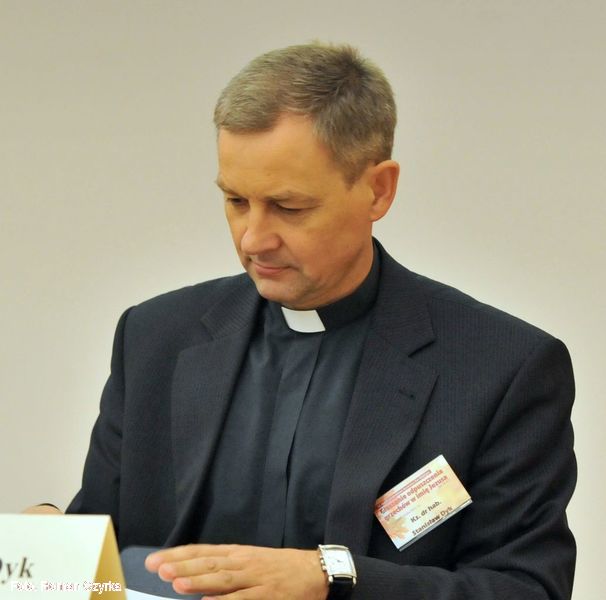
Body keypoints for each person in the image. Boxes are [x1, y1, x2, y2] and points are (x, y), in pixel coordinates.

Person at [33, 43, 576, 599]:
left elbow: (527, 589)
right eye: (236, 201)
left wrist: (334, 577)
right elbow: (103, 562)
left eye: (289, 207)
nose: (253, 239)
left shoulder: (501, 368)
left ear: (378, 190)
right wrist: (50, 543)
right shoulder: (154, 338)